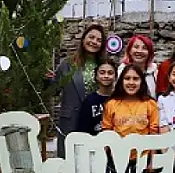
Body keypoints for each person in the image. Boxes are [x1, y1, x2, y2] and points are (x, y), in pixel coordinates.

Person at [47, 24, 105, 158]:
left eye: (99, 40)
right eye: (91, 37)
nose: (94, 42)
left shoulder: (104, 65)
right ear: (83, 38)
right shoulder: (67, 64)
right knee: (69, 161)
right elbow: (54, 91)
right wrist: (47, 81)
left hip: (96, 120)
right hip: (70, 120)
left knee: (94, 160)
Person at [102, 64, 160, 136]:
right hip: (118, 143)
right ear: (121, 81)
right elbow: (107, 132)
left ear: (141, 81)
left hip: (144, 143)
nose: (131, 82)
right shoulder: (111, 104)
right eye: (127, 78)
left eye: (135, 79)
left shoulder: (150, 104)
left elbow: (154, 132)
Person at [76, 61, 117, 134]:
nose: (106, 76)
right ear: (96, 76)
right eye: (102, 73)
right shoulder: (89, 101)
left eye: (110, 73)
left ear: (115, 76)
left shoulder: (120, 99)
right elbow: (83, 130)